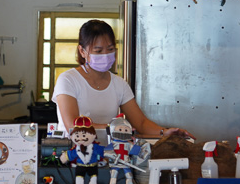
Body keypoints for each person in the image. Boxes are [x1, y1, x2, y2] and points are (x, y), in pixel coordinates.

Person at [52, 19, 191, 142]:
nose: (105, 55)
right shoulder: (68, 79)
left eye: (110, 49)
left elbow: (141, 123)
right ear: (82, 51)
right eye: (98, 51)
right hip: (72, 155)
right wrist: (116, 129)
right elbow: (73, 125)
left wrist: (164, 132)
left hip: (109, 155)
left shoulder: (119, 84)